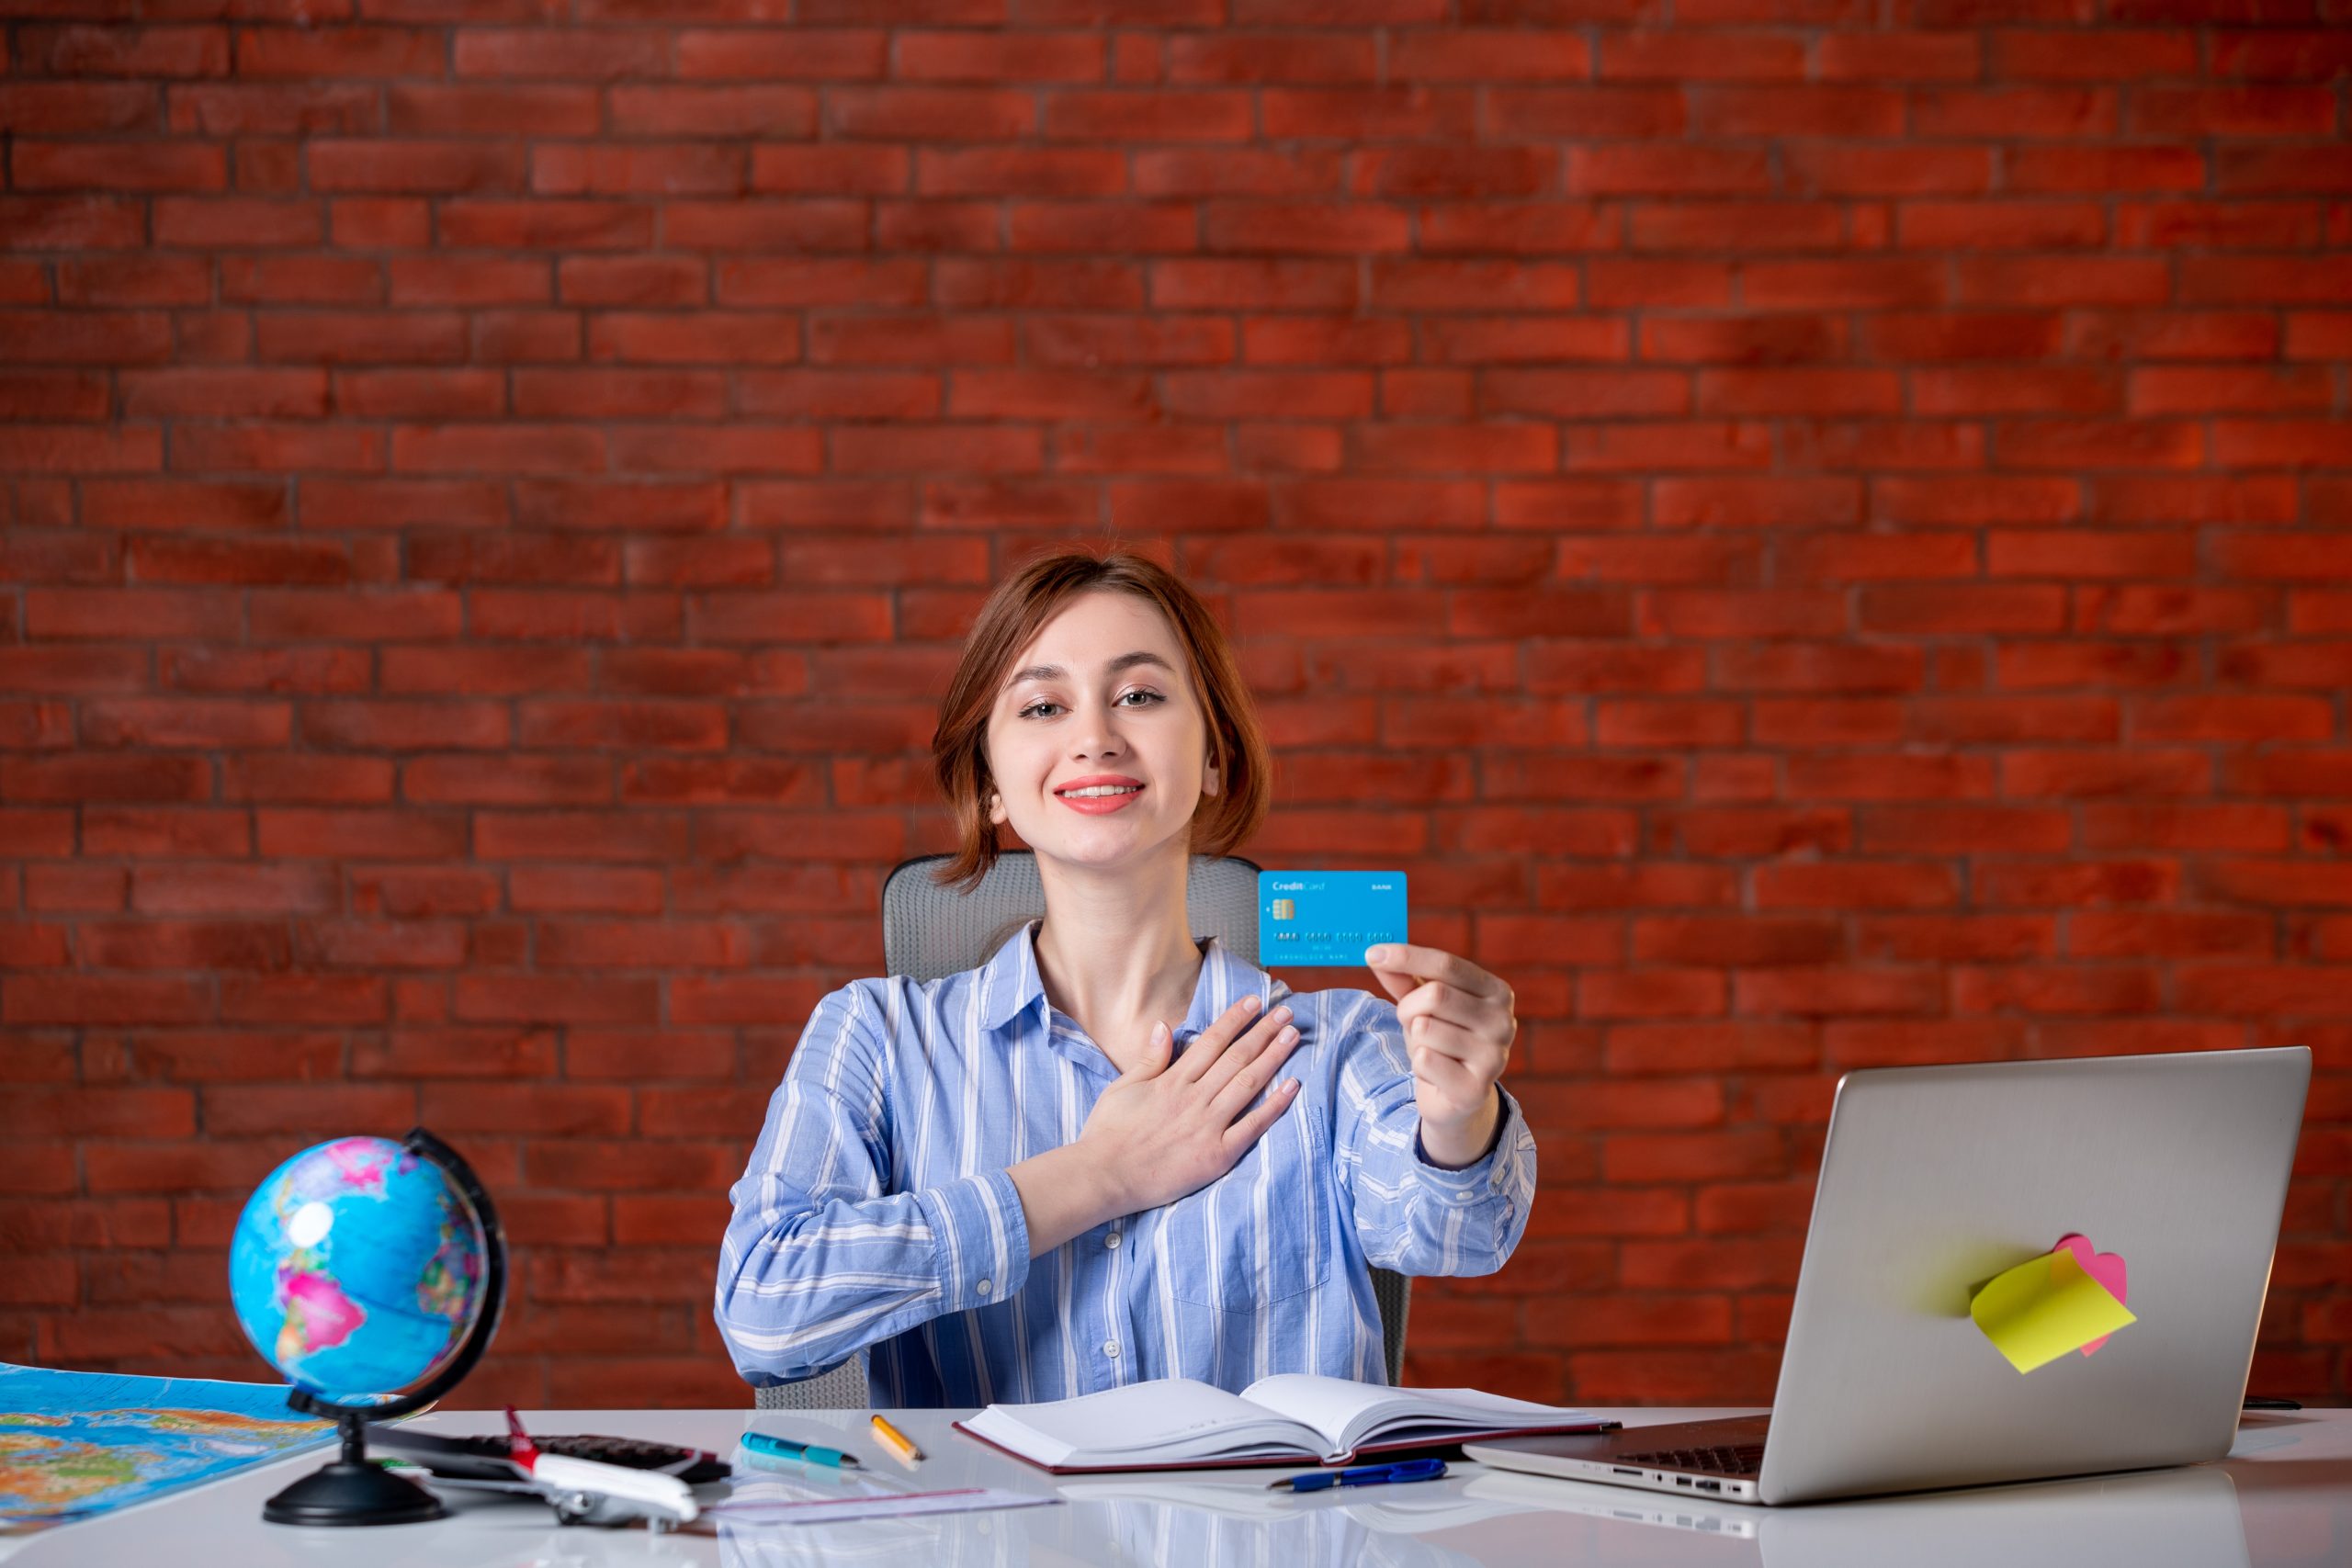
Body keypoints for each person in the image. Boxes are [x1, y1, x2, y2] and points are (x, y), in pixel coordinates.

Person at [714, 549, 1535, 1405]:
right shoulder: (874, 1038)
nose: (1096, 736)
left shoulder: (1336, 1045)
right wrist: (1097, 1175)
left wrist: (1459, 1115)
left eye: (1140, 695)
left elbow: (1459, 1236)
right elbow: (763, 1313)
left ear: (1214, 754)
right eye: (1043, 705)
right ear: (991, 784)